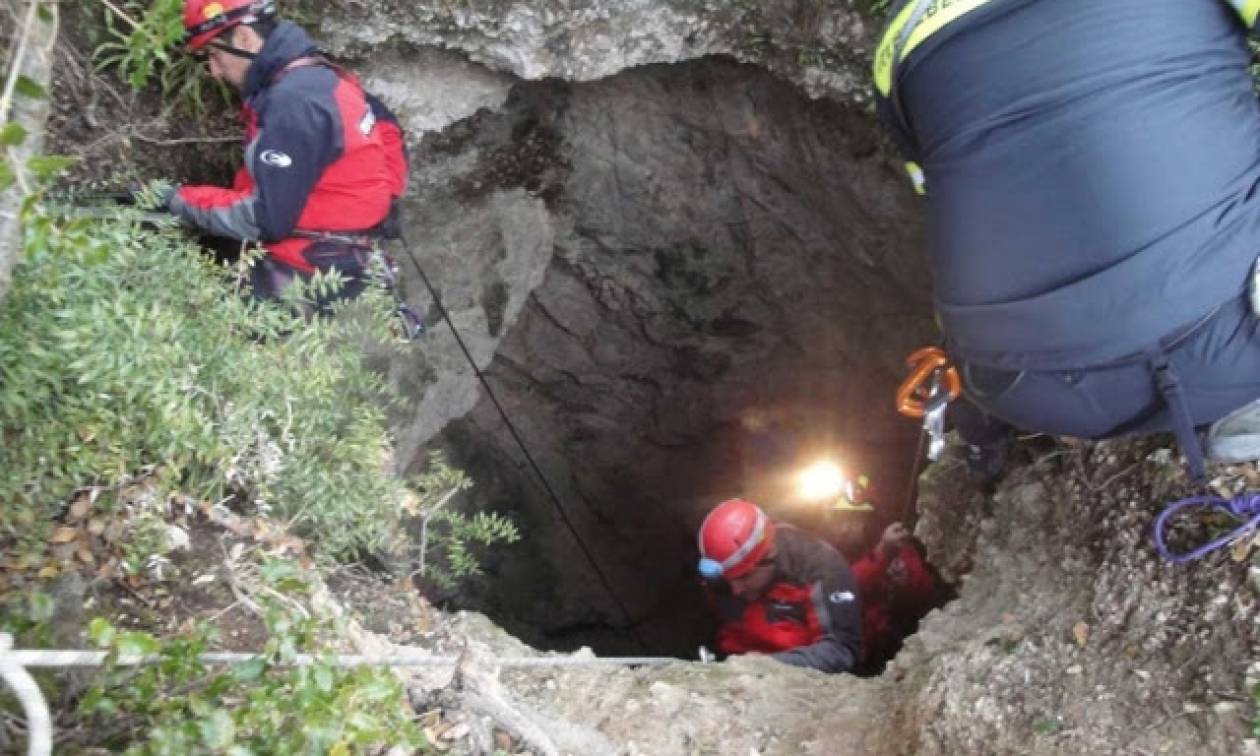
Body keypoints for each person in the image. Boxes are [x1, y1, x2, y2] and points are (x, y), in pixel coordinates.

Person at [873, 0, 1260, 480]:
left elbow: (933, 184)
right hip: (1230, 344)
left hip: (1024, 389)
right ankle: (1238, 403)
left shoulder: (897, 40)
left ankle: (982, 449)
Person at [168, 0, 408, 312]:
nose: (213, 71)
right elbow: (387, 126)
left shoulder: (294, 103)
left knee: (182, 307)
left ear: (243, 37)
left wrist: (175, 200)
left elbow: (265, 220)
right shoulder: (323, 75)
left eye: (214, 54)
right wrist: (385, 196)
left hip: (307, 270)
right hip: (348, 261)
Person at [697, 498, 861, 673]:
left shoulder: (821, 568)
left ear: (770, 554)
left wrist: (769, 666)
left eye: (745, 577)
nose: (736, 590)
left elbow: (842, 650)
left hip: (797, 678)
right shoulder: (722, 571)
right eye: (726, 581)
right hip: (733, 667)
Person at [850, 521, 942, 674]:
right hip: (864, 644)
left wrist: (906, 580)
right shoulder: (832, 550)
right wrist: (883, 553)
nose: (849, 526)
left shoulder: (905, 550)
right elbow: (848, 584)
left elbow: (928, 589)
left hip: (893, 638)